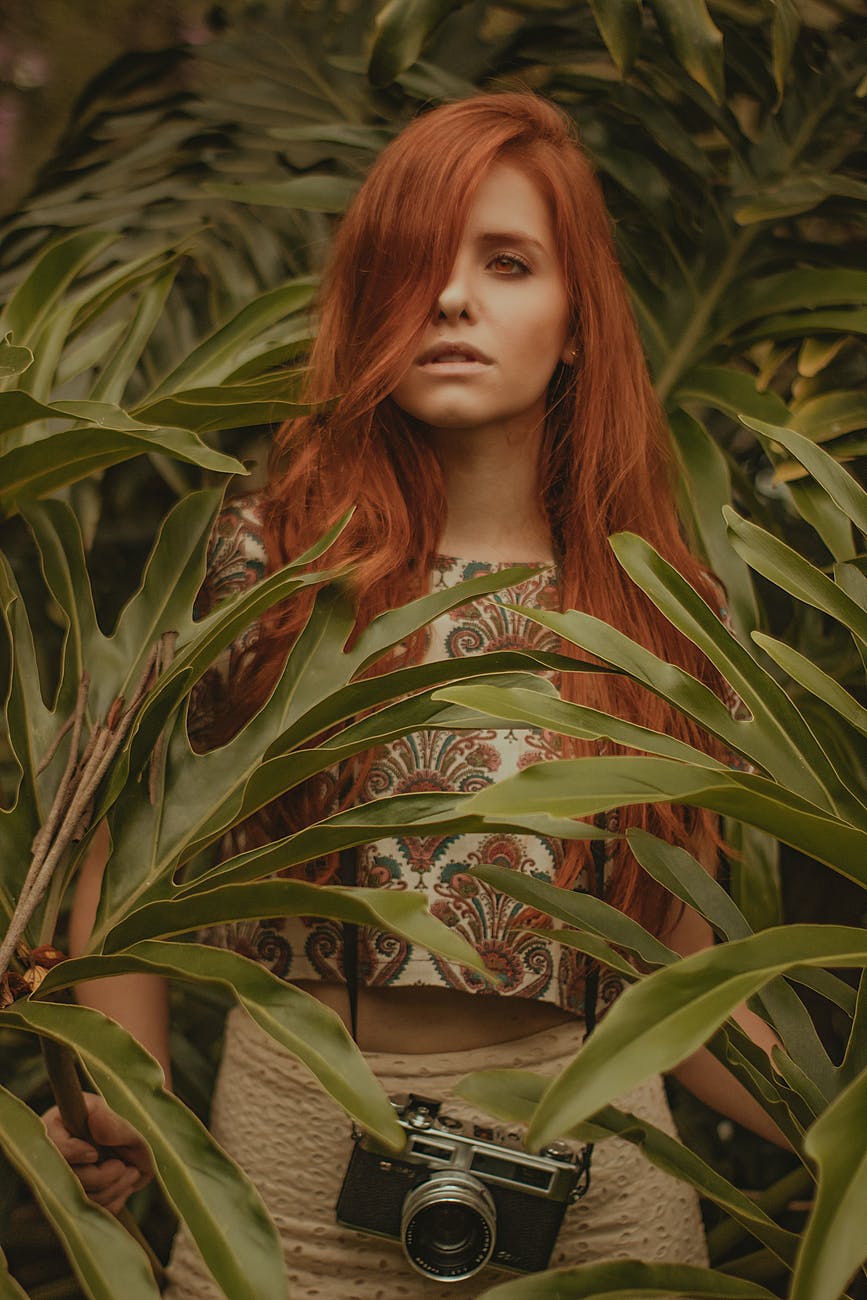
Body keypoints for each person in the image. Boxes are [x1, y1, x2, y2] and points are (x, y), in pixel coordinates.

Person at [45, 93, 785, 1296]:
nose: (453, 299)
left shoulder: (656, 603)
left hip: (590, 1181)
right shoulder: (266, 561)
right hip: (286, 1181)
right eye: (416, 266)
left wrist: (835, 1138)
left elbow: (672, 966)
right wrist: (134, 1100)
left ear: (577, 317)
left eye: (507, 263)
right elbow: (124, 868)